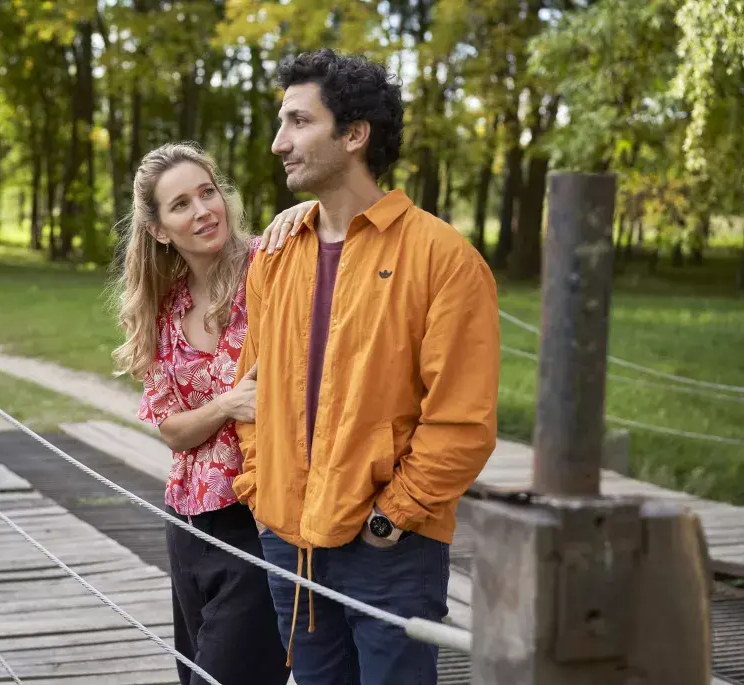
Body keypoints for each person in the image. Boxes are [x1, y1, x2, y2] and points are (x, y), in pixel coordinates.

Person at [232, 49, 501, 685]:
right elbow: (253, 389)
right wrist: (260, 486)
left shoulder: (444, 259)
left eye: (299, 122)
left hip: (390, 546)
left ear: (354, 135)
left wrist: (391, 519)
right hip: (288, 540)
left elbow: (461, 420)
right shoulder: (275, 255)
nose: (278, 143)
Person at [111, 141, 310, 685]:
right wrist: (225, 405)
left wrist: (306, 211)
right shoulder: (165, 304)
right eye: (181, 205)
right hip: (188, 522)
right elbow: (173, 431)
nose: (203, 211)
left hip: (261, 521)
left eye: (208, 192)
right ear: (157, 229)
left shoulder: (272, 268)